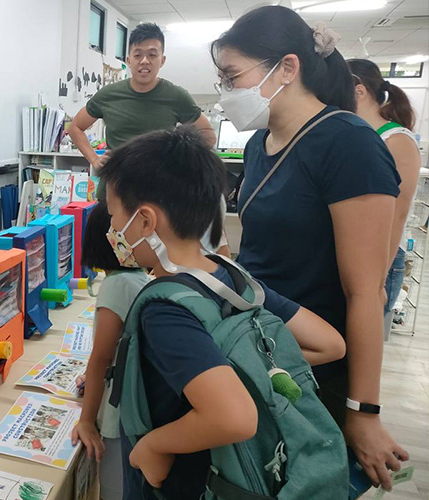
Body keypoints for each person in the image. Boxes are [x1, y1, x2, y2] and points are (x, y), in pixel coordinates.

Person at [211, 5, 409, 490]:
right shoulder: (261, 144)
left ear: (287, 67)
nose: (226, 93)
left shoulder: (347, 142)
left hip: (319, 360)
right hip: (264, 342)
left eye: (232, 76)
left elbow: (366, 292)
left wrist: (362, 412)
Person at [99, 126, 346, 499]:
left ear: (146, 222)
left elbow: (234, 417)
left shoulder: (166, 310)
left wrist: (154, 446)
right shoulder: (234, 277)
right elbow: (330, 344)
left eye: (115, 215)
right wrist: (250, 375)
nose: (112, 228)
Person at [68, 22, 217, 182]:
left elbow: (208, 137)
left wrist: (178, 160)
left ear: (162, 60)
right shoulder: (108, 94)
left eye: (152, 55)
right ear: (128, 60)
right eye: (138, 55)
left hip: (159, 190)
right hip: (115, 188)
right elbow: (75, 127)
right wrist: (95, 160)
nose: (144, 61)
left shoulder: (176, 96)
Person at [70, 202, 150, 500]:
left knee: (114, 490)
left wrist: (87, 420)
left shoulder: (116, 286)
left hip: (117, 418)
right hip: (132, 402)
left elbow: (101, 357)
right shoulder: (139, 277)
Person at [348, 58, 422, 333]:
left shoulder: (396, 140)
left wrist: (376, 281)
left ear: (359, 91)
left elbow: (397, 216)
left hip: (380, 261)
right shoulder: (356, 135)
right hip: (355, 255)